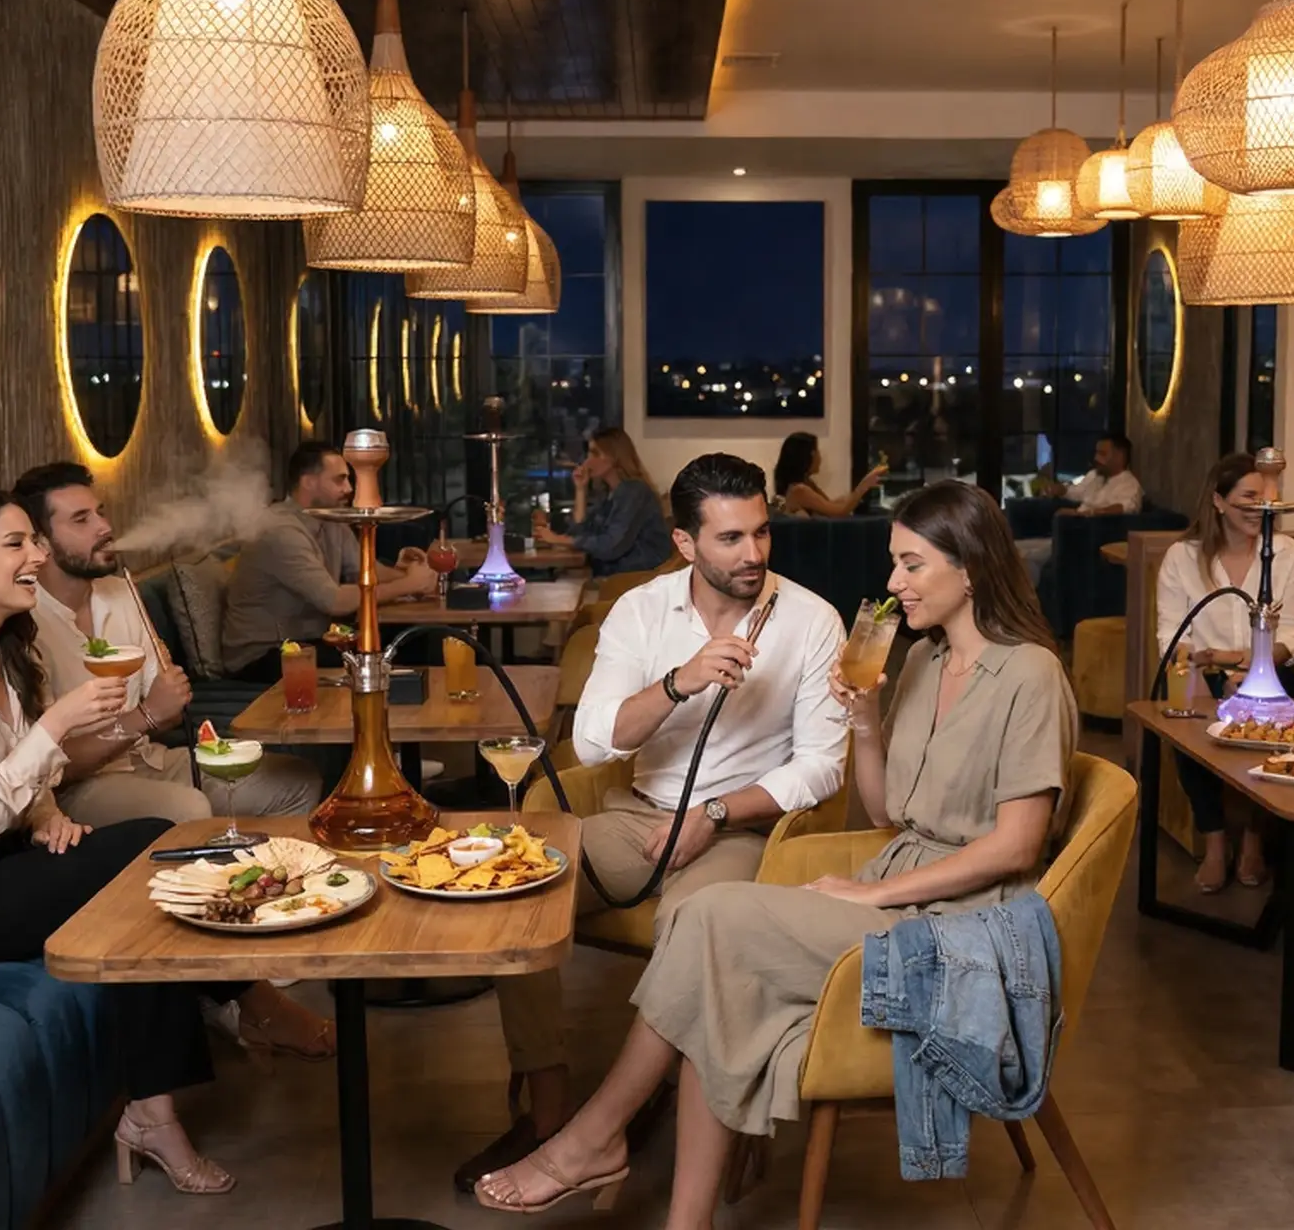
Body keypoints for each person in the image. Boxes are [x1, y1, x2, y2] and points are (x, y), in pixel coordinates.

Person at [475, 480, 1076, 1224]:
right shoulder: (922, 660)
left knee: (710, 928)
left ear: (973, 568)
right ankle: (667, 1208)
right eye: (894, 563)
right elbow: (889, 813)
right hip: (897, 882)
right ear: (687, 543)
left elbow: (1017, 847)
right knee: (713, 961)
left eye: (912, 566)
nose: (892, 583)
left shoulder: (1030, 675)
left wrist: (870, 895)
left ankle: (590, 1141)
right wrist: (864, 724)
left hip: (957, 921)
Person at [0, 487, 334, 1197]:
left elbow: (7, 781)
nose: (36, 556)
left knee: (159, 848)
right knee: (146, 866)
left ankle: (157, 1103)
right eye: (15, 544)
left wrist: (47, 815)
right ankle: (185, 1075)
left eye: (34, 542)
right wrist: (56, 726)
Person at [457, 453, 848, 1191]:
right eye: (730, 539)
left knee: (695, 931)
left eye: (761, 534)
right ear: (685, 543)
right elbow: (598, 738)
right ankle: (546, 1111)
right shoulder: (640, 611)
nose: (754, 554)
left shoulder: (811, 621)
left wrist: (715, 811)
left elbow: (822, 767)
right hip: (637, 818)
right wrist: (681, 681)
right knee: (510, 892)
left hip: (738, 830)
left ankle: (608, 1134)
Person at [13, 462, 322, 827]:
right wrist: (145, 715)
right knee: (187, 808)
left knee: (295, 782)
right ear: (41, 542)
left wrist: (168, 701)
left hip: (150, 759)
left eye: (100, 512)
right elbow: (49, 766)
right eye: (81, 520)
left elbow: (168, 713)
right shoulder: (24, 621)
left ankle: (265, 876)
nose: (105, 528)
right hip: (77, 789)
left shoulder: (120, 591)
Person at [1156, 454, 1294, 892]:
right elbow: (1171, 638)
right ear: (1219, 501)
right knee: (1189, 713)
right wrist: (1220, 667)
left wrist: (1247, 664)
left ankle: (1254, 841)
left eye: (1267, 497)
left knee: (1281, 704)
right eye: (1248, 496)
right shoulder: (1182, 557)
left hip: (1271, 668)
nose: (1260, 506)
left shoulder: (1287, 553)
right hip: (1202, 674)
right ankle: (1216, 841)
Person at [220, 441, 434, 681]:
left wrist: (409, 573)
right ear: (308, 482)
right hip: (262, 654)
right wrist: (408, 585)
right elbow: (334, 601)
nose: (349, 488)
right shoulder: (279, 531)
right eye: (339, 480)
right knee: (379, 664)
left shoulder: (330, 518)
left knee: (411, 643)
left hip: (307, 642)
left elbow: (365, 570)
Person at [532, 427, 672, 576]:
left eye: (595, 453)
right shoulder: (608, 493)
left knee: (561, 582)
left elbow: (610, 546)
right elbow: (581, 533)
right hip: (615, 576)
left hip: (636, 581)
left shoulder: (634, 492)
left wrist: (558, 539)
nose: (587, 460)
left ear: (615, 457)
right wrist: (581, 490)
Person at [1017, 434, 1141, 575]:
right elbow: (1075, 492)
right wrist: (1059, 489)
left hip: (1086, 538)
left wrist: (1082, 514)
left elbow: (1125, 508)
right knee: (1015, 549)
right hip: (1067, 532)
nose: (1096, 458)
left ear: (1119, 456)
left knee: (1025, 556)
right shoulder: (1094, 476)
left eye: (1102, 453)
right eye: (1096, 453)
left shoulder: (1129, 484)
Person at [770, 431, 884, 517]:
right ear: (809, 456)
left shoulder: (807, 484)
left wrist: (853, 497)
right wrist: (863, 486)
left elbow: (829, 505)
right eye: (817, 452)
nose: (820, 458)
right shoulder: (799, 490)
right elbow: (838, 513)